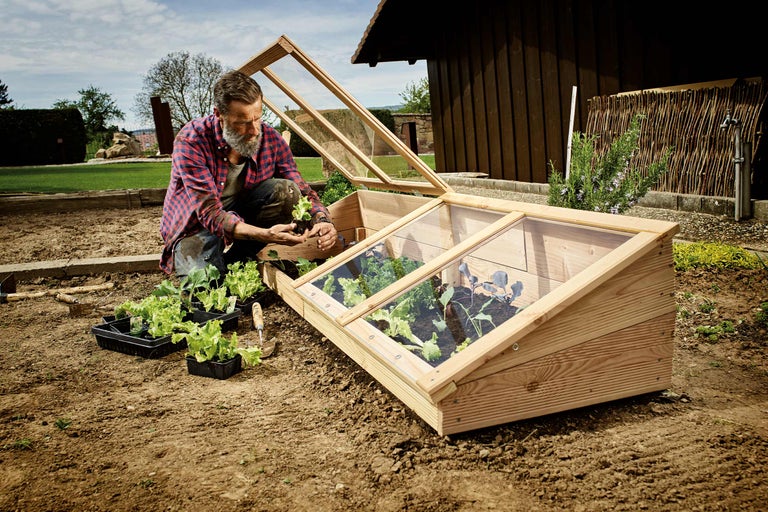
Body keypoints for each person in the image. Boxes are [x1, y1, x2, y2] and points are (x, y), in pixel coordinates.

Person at [160, 70, 337, 277]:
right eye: (242, 123)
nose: (254, 130)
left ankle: (238, 261)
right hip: (197, 224)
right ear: (219, 115)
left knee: (287, 191)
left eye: (257, 118)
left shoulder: (270, 139)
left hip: (243, 211)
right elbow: (210, 213)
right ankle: (213, 266)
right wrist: (264, 235)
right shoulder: (192, 141)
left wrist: (322, 219)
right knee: (201, 286)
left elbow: (303, 190)